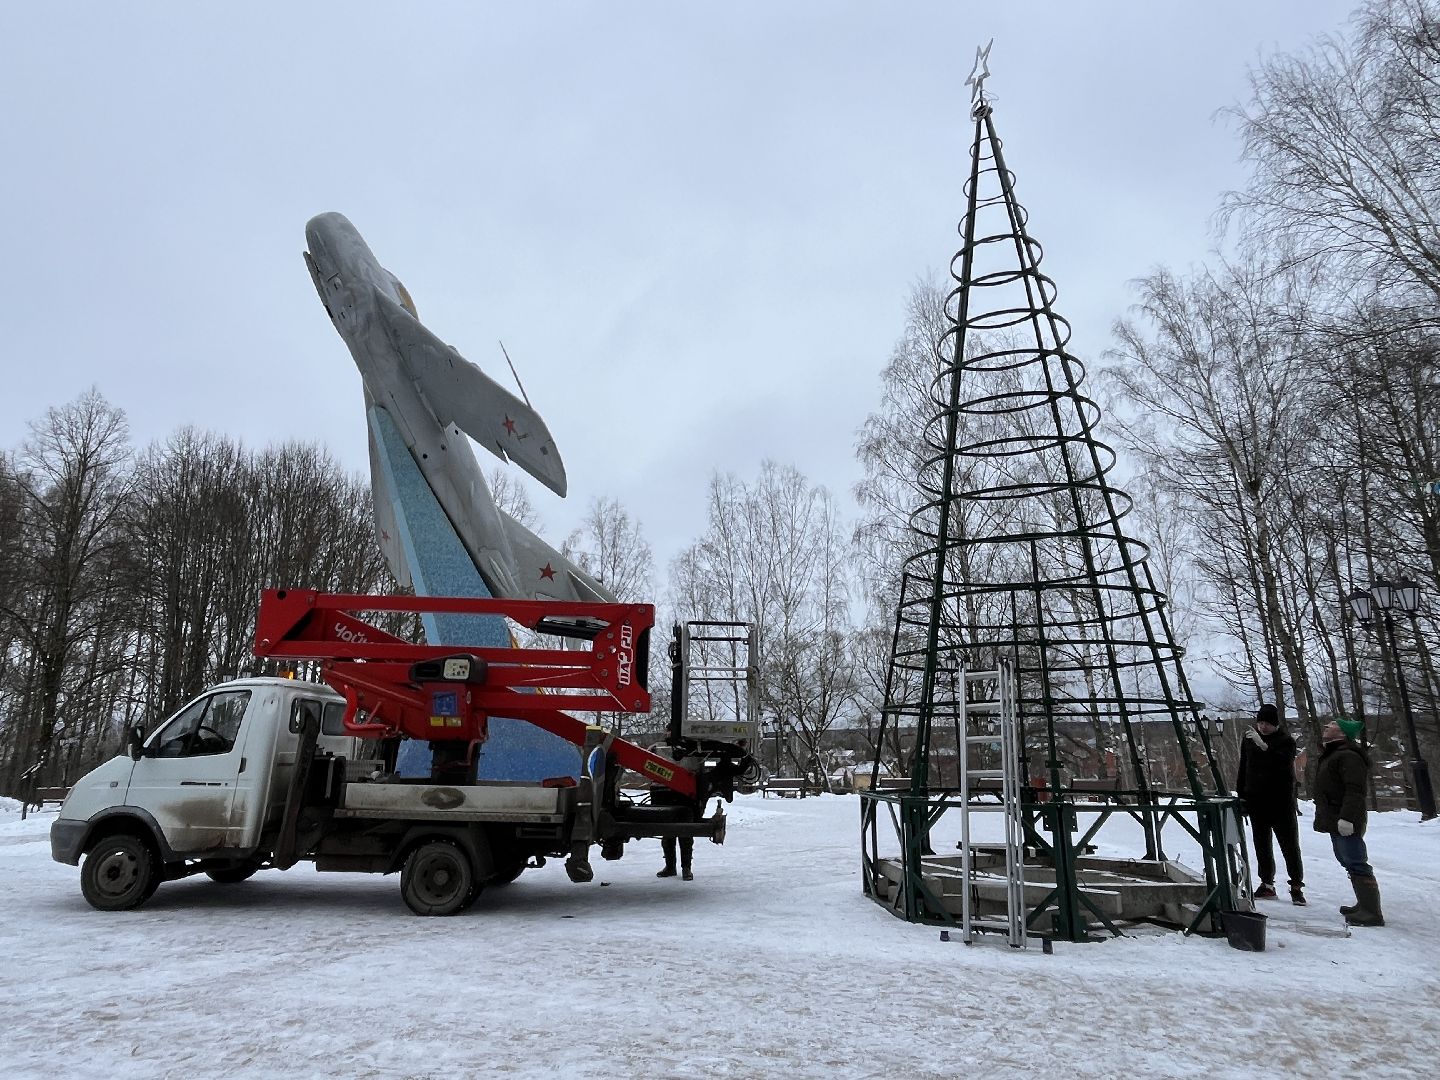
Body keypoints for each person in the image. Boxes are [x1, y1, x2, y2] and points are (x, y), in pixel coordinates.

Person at [1313, 718, 1383, 927]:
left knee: (1356, 860)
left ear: (1342, 734)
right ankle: (1363, 904)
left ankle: (1372, 912)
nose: (1326, 726)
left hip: (1345, 818)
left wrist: (1347, 818)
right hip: (1336, 817)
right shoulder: (1335, 754)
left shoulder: (1349, 756)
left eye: (1333, 724)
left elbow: (1354, 790)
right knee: (1347, 860)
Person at [1236, 702, 1306, 905]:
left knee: (1289, 844)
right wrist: (1242, 794)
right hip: (1257, 800)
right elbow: (1244, 767)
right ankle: (1267, 883)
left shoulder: (1285, 741)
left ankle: (1296, 885)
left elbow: (1282, 764)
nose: (1263, 727)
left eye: (1267, 723)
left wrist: (1265, 746)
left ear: (1275, 724)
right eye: (1260, 722)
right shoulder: (1249, 741)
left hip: (1280, 801)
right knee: (1262, 844)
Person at [649, 741, 701, 881]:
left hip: (684, 797)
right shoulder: (658, 748)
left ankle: (686, 868)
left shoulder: (692, 750)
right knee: (668, 834)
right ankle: (671, 866)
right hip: (665, 795)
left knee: (685, 834)